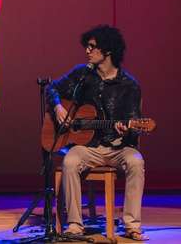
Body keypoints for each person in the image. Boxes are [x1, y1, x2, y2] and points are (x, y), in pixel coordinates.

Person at [46, 25, 147, 241]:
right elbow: (51, 88)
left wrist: (124, 129)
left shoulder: (129, 85)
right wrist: (58, 107)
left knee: (136, 161)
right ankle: (74, 224)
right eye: (87, 47)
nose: (87, 51)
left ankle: (132, 225)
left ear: (107, 50)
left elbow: (134, 127)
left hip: (118, 147)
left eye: (92, 47)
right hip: (88, 147)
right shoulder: (83, 75)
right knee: (71, 160)